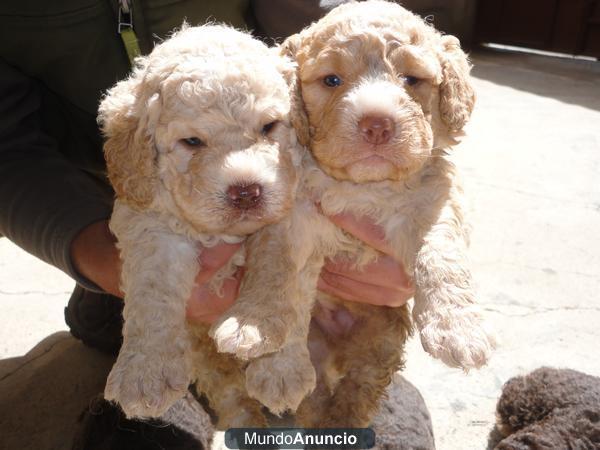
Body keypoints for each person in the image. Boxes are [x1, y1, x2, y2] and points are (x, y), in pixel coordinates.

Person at [0, 1, 423, 448]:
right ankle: (173, 370)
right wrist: (100, 257)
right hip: (126, 224)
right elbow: (7, 146)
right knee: (155, 395)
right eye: (192, 141)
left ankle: (351, 390)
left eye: (269, 128)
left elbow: (342, 50)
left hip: (315, 238)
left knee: (357, 369)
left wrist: (407, 224)